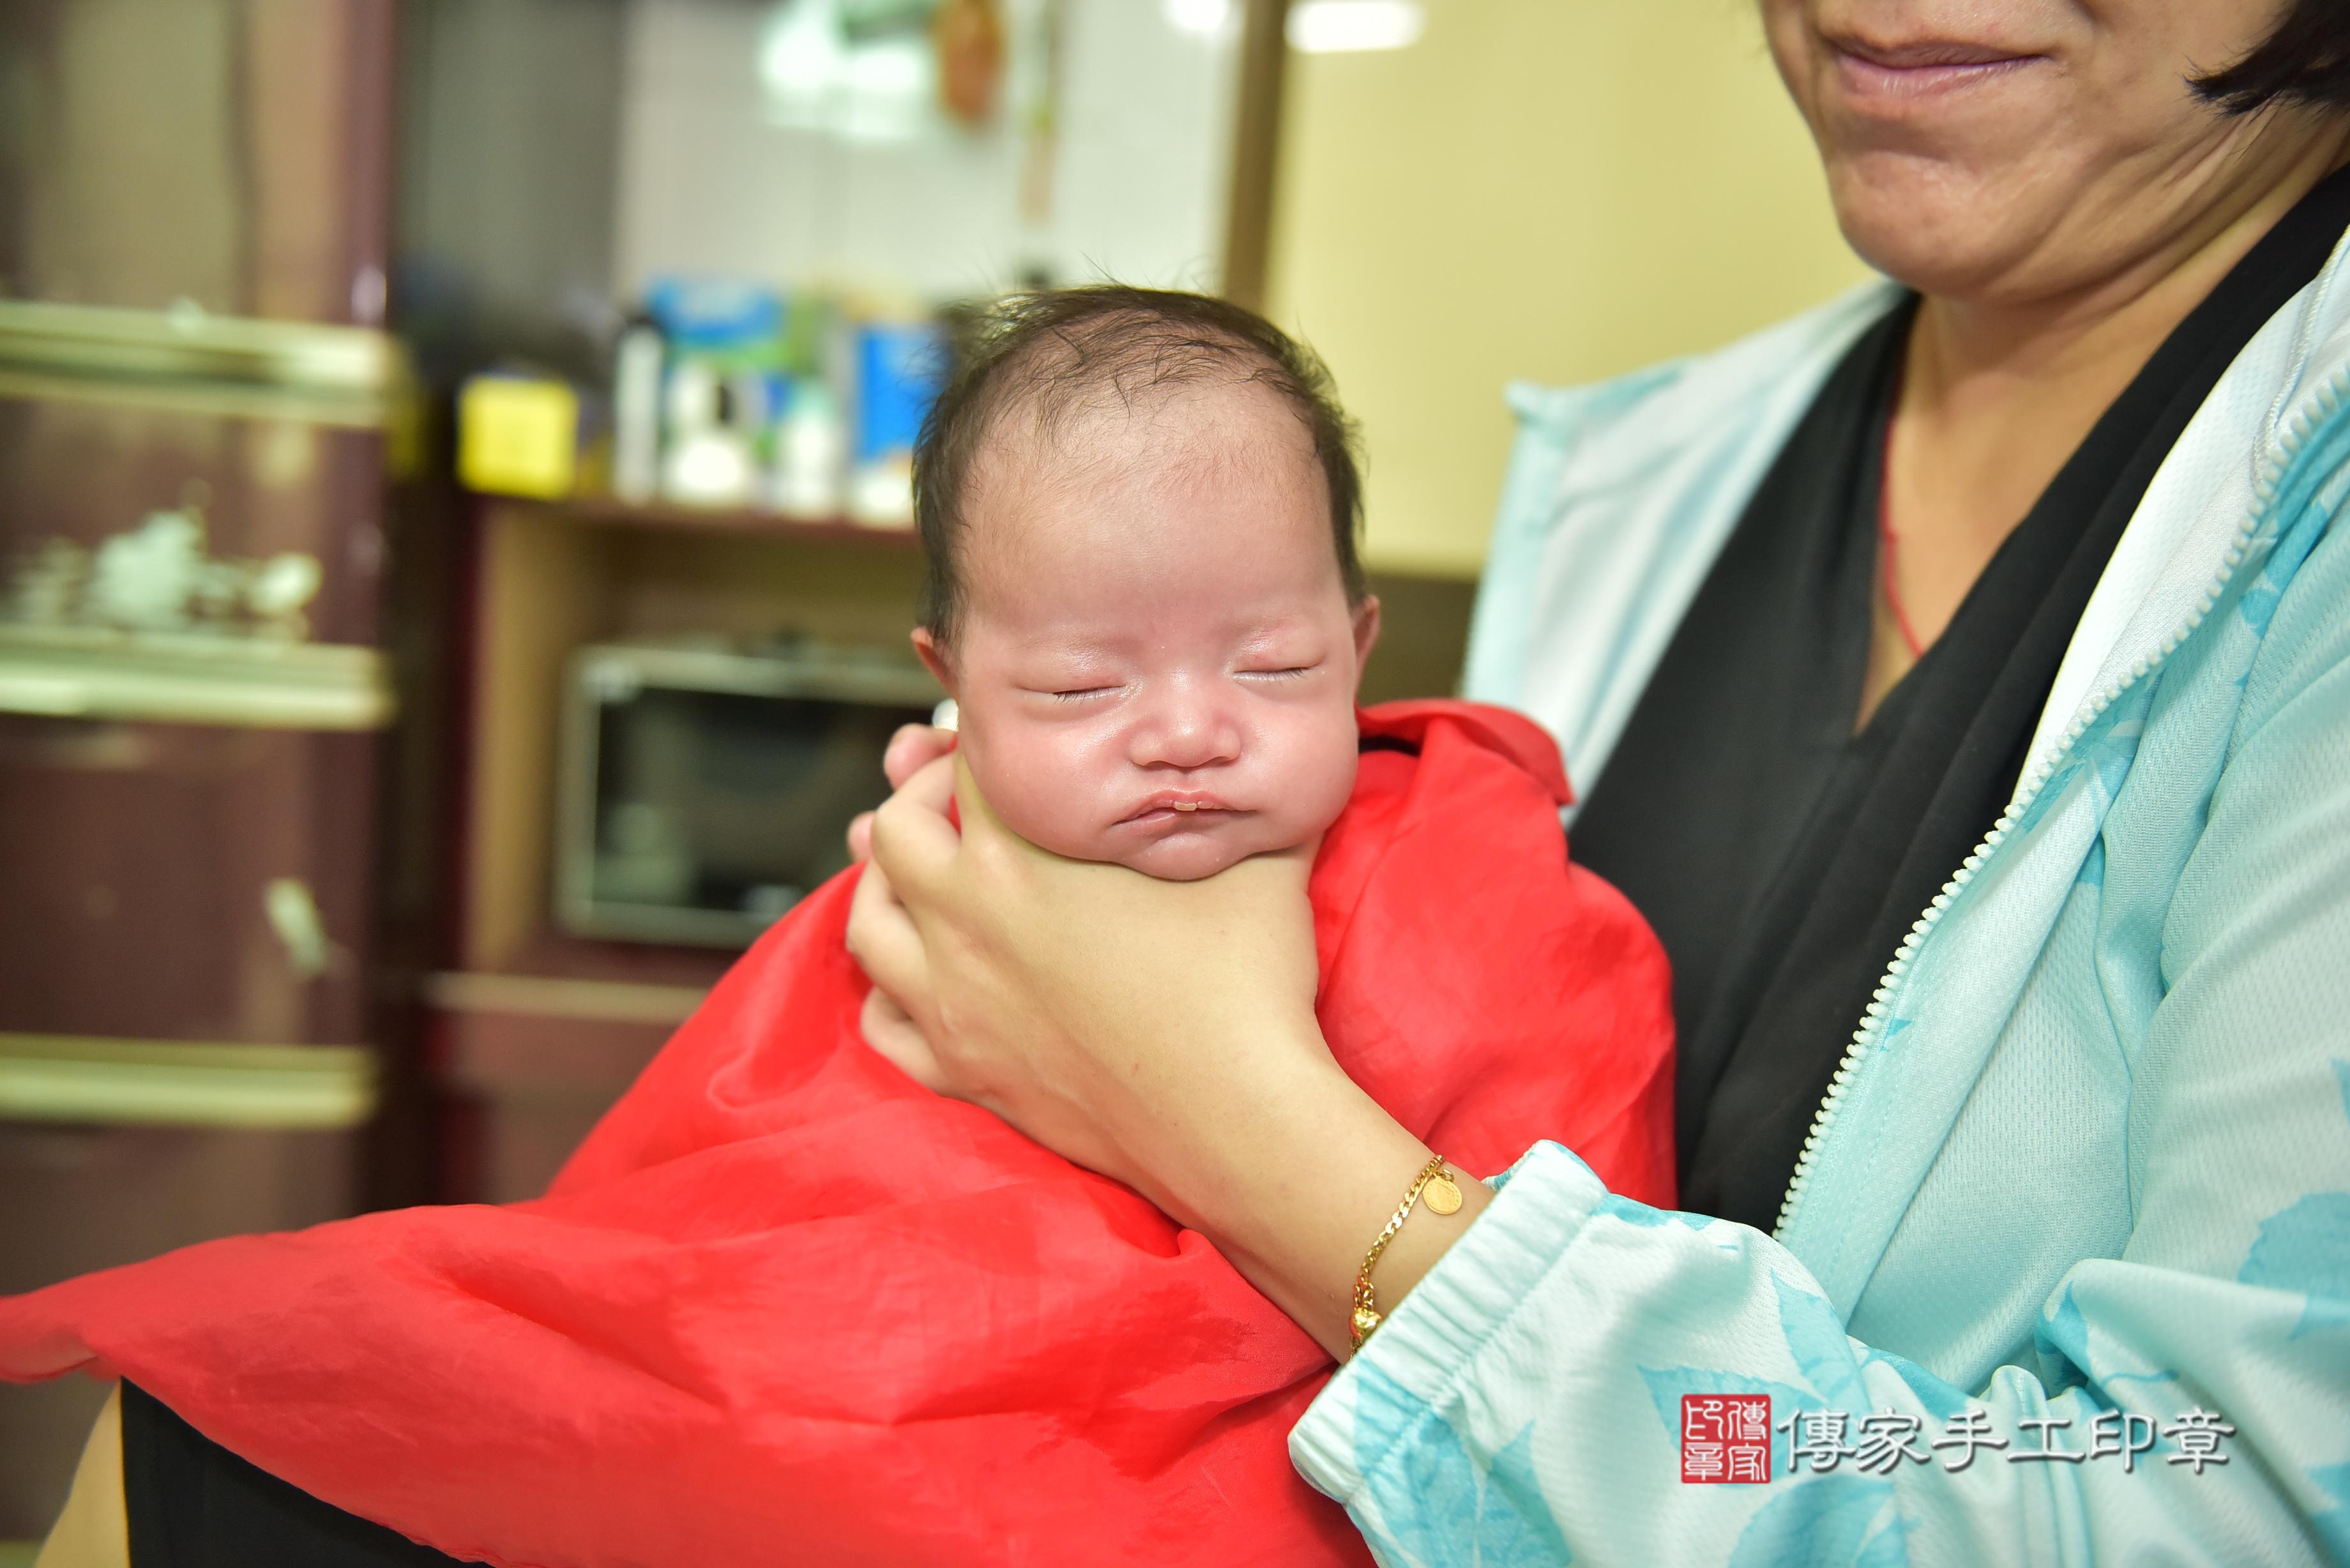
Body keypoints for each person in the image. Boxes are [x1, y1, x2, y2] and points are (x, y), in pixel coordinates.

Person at [841, 1, 2350, 1561]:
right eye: (1083, 688)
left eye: (1272, 670)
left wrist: (1235, 1126)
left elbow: (2228, 1508)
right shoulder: (1652, 472)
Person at [17, 290, 1674, 1567]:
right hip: (859, 1398)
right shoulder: (928, 873)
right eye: (1083, 686)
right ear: (947, 696)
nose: (1188, 730)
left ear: (1364, 642)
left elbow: (1566, 1173)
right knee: (268, 1370)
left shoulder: (1465, 862)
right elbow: (717, 1198)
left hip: (1252, 1472)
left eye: (1273, 667)